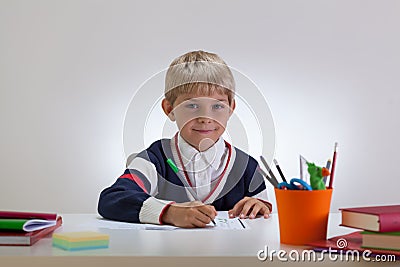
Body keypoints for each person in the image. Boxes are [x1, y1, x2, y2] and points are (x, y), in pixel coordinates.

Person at [98, 50, 272, 228]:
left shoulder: (246, 166)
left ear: (230, 108)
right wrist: (169, 212)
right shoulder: (155, 159)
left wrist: (259, 206)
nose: (206, 117)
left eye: (217, 106)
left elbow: (262, 212)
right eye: (193, 105)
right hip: (169, 255)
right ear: (169, 109)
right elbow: (112, 199)